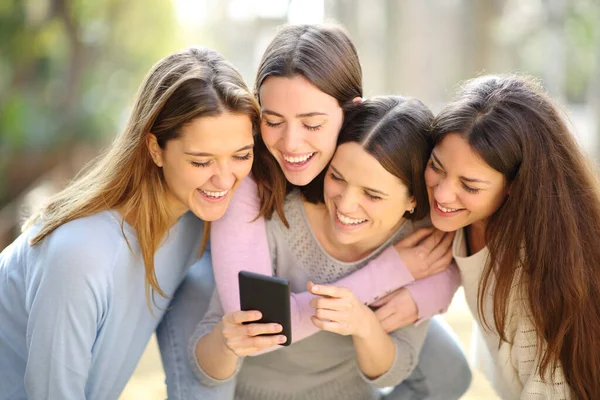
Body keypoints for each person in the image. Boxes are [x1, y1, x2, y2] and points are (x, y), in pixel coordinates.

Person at [158, 24, 470, 400]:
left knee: (448, 367)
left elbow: (446, 252)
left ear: (350, 111)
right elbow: (258, 324)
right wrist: (388, 275)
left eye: (312, 123)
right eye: (272, 121)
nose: (290, 143)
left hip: (342, 368)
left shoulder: (394, 170)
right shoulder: (251, 181)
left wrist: (427, 291)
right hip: (252, 341)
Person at [0, 47, 260, 400]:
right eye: (202, 162)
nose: (225, 179)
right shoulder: (81, 254)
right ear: (155, 149)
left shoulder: (194, 222)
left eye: (241, 155)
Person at [193, 96, 442, 399]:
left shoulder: (419, 248)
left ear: (413, 198)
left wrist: (364, 324)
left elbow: (392, 371)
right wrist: (225, 341)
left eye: (372, 195)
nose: (346, 205)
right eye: (337, 177)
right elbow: (204, 369)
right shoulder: (276, 214)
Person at [424, 74, 600, 399]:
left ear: (514, 188)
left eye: (470, 185)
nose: (444, 194)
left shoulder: (534, 271)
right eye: (437, 166)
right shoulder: (460, 218)